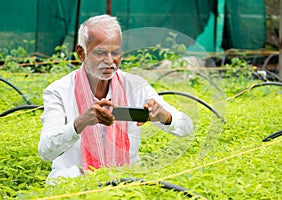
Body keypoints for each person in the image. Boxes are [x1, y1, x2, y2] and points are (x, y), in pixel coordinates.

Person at [38, 14, 193, 182]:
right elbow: (46, 151)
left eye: (116, 52)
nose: (110, 61)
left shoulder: (135, 86)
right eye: (100, 53)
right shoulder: (59, 91)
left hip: (126, 182)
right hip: (73, 182)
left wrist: (165, 116)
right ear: (81, 53)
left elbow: (187, 127)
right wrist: (80, 122)